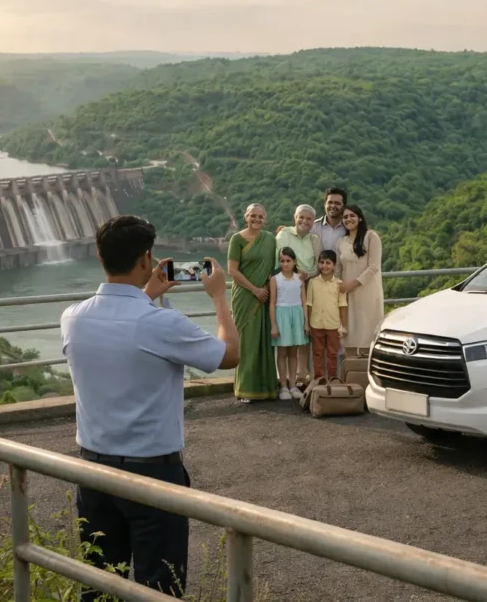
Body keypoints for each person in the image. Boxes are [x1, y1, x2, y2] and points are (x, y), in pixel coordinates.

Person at [61, 215, 239, 600]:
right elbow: (230, 354)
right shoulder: (163, 324)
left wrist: (145, 294)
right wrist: (220, 296)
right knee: (160, 587)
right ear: (146, 259)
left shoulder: (72, 319)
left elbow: (123, 329)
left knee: (100, 583)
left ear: (100, 256)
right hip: (153, 476)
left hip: (92, 473)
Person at [228, 203, 279, 402]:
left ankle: (266, 389)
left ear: (265, 219)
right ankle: (246, 389)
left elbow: (276, 264)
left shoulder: (270, 239)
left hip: (266, 295)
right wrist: (254, 289)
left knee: (265, 341)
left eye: (260, 216)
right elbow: (232, 270)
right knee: (247, 342)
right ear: (245, 217)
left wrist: (265, 288)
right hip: (245, 295)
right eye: (253, 216)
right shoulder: (237, 239)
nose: (257, 219)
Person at [336, 204, 384, 358]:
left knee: (367, 329)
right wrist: (338, 286)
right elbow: (338, 268)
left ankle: (368, 370)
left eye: (352, 216)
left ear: (360, 217)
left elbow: (373, 267)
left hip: (367, 291)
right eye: (345, 217)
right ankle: (351, 371)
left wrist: (353, 283)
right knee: (349, 330)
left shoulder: (371, 237)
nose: (348, 219)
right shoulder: (341, 242)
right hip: (346, 293)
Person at [269, 247, 309, 400]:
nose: (285, 264)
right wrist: (274, 325)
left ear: (294, 262)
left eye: (288, 261)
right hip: (282, 316)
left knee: (294, 352)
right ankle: (283, 386)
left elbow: (304, 301)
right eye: (282, 261)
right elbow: (272, 303)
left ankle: (293, 385)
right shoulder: (275, 279)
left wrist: (306, 323)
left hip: (297, 316)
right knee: (282, 353)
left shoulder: (300, 278)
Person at [305, 249, 348, 380]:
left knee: (332, 354)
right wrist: (307, 324)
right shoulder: (313, 282)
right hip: (316, 324)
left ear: (334, 265)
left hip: (333, 325)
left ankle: (333, 379)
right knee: (317, 354)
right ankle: (319, 380)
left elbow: (342, 305)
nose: (324, 266)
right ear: (318, 264)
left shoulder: (339, 284)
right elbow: (309, 304)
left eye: (328, 263)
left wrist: (344, 326)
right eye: (322, 263)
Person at [275, 204, 323, 278]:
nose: (304, 221)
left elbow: (319, 265)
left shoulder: (315, 240)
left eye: (309, 219)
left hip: (310, 283)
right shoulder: (285, 234)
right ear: (295, 217)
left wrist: (307, 276)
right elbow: (276, 261)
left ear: (313, 222)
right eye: (301, 217)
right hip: (287, 281)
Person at [311, 187, 348, 253]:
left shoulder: (349, 227)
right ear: (325, 204)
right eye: (330, 202)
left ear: (344, 206)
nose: (333, 206)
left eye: (337, 203)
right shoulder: (313, 226)